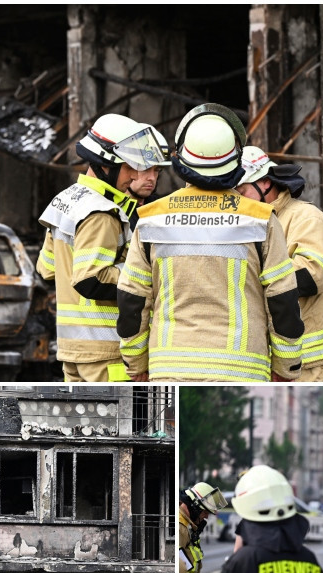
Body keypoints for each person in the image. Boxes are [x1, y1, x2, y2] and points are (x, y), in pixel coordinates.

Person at [117, 104, 305, 382]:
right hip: (241, 371)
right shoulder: (260, 219)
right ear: (236, 160)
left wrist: (135, 365)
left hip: (170, 370)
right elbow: (283, 301)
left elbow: (132, 301)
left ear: (181, 159)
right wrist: (286, 367)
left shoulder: (150, 220)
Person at [36, 113, 168, 382]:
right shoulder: (102, 212)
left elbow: (47, 270)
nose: (135, 175)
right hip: (107, 351)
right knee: (122, 421)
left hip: (74, 351)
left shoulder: (69, 200)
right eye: (129, 167)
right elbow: (91, 279)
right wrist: (148, 274)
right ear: (105, 165)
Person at [236, 146, 323, 381]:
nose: (237, 198)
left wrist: (252, 278)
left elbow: (311, 276)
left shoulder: (306, 218)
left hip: (310, 360)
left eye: (242, 190)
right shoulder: (251, 223)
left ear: (265, 183)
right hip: (270, 359)